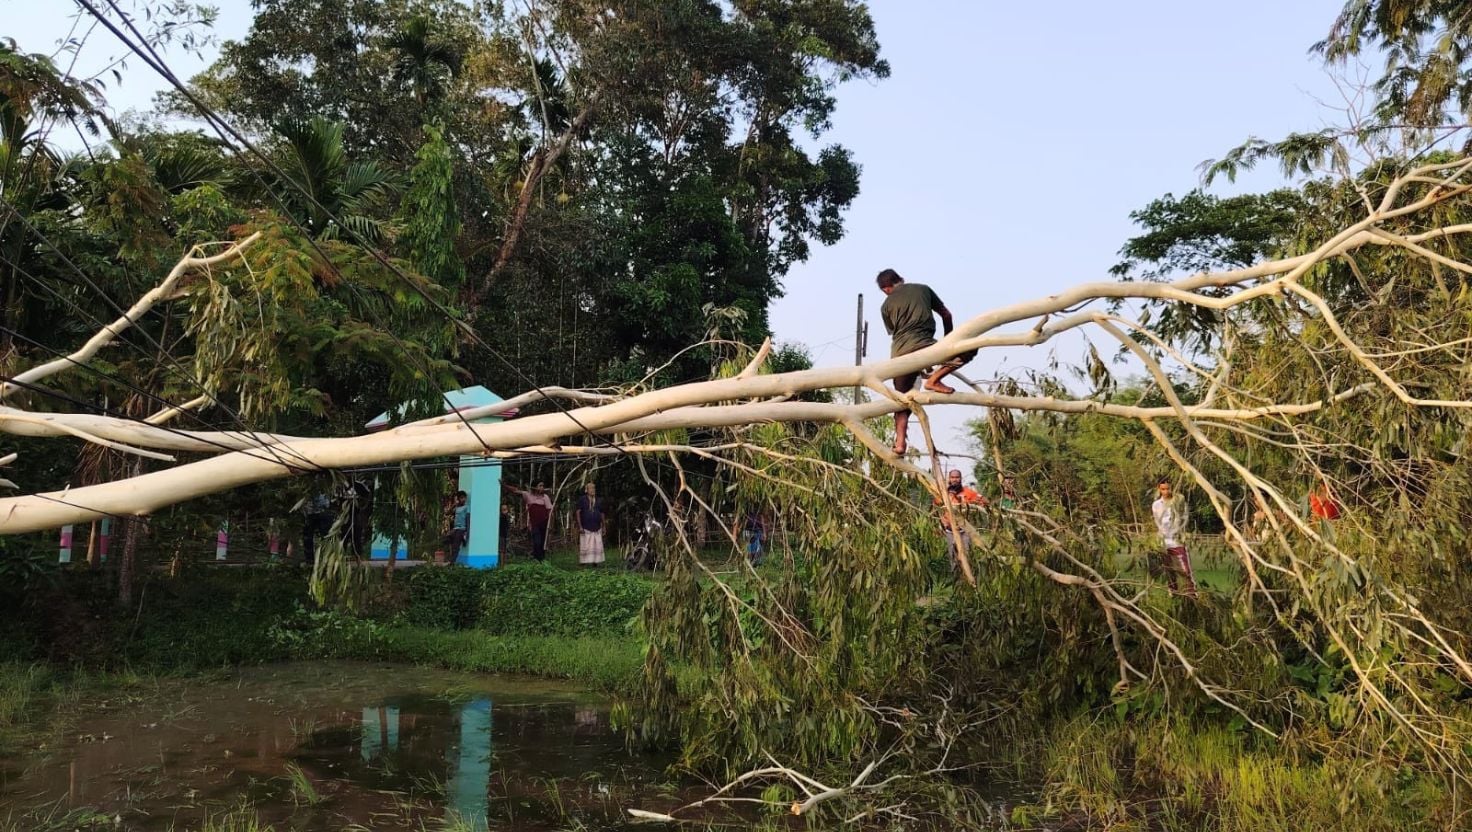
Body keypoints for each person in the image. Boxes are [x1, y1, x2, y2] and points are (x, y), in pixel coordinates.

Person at [876, 269, 973, 455]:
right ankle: (934, 379)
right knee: (968, 349)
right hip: (927, 347)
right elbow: (947, 315)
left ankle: (900, 443)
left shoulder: (885, 306)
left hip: (899, 355)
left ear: (886, 289)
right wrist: (948, 342)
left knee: (901, 400)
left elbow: (895, 332)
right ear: (901, 280)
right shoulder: (923, 289)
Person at [1151, 479, 1198, 597]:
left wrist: (1180, 531)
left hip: (1177, 541)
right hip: (1163, 542)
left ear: (1172, 488)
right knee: (1169, 569)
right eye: (1163, 489)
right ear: (1159, 489)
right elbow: (1157, 521)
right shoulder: (1156, 505)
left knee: (1185, 569)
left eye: (1168, 488)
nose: (1166, 491)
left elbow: (1185, 517)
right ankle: (1173, 593)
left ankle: (1191, 594)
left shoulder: (1179, 501)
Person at [935, 469, 985, 573]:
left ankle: (968, 577)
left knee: (966, 554)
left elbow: (984, 501)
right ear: (949, 479)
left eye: (957, 477)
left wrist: (976, 503)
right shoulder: (943, 494)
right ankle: (956, 579)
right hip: (950, 531)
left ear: (960, 478)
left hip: (965, 531)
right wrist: (942, 522)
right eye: (952, 477)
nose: (955, 480)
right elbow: (936, 507)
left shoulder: (968, 492)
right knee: (953, 555)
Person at [505, 481, 554, 561]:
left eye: (543, 486)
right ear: (534, 487)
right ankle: (537, 559)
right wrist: (504, 485)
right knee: (537, 542)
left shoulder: (545, 497)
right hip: (535, 524)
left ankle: (542, 561)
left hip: (544, 524)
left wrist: (550, 524)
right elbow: (515, 491)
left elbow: (550, 511)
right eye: (540, 486)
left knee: (542, 543)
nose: (542, 487)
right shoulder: (528, 495)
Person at [575, 482, 607, 566]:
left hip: (596, 527)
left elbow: (602, 513)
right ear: (586, 490)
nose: (593, 490)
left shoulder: (599, 500)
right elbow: (578, 512)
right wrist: (580, 526)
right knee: (585, 545)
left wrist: (604, 526)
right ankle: (583, 562)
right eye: (591, 488)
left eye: (594, 488)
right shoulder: (582, 499)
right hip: (585, 527)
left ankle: (595, 562)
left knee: (596, 545)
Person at [442, 490, 469, 565]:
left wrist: (467, 531)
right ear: (458, 499)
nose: (463, 499)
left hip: (461, 529)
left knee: (455, 546)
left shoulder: (466, 507)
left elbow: (467, 520)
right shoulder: (456, 508)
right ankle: (451, 558)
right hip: (455, 529)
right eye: (461, 498)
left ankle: (452, 562)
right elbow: (447, 513)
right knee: (445, 539)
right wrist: (454, 505)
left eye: (464, 498)